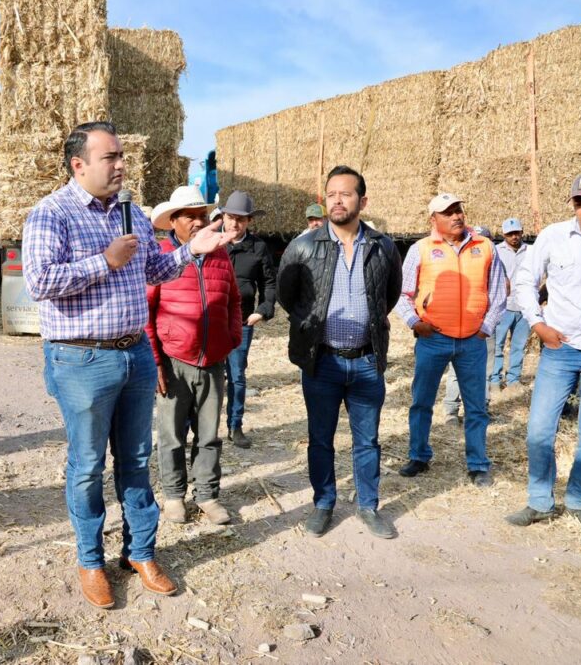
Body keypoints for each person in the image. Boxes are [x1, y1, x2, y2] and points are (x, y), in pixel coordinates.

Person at [22, 121, 237, 609]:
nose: (121, 165)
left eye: (121, 156)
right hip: (82, 358)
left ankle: (139, 552)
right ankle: (91, 560)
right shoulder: (50, 214)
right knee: (87, 465)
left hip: (134, 353)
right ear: (78, 165)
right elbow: (39, 282)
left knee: (136, 460)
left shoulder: (132, 214)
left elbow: (153, 269)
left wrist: (188, 251)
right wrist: (105, 260)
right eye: (110, 158)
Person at [277, 165, 403, 539]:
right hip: (323, 361)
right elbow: (289, 296)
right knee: (320, 438)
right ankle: (323, 503)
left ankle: (368, 506)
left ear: (362, 201)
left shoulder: (382, 247)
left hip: (366, 361)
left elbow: (389, 294)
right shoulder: (304, 245)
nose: (336, 200)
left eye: (345, 193)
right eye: (331, 193)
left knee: (367, 440)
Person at [506, 172, 581, 530]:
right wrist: (537, 324)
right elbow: (524, 281)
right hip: (560, 348)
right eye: (580, 203)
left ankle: (579, 499)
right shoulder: (553, 237)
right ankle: (540, 502)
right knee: (538, 430)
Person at [146, 186, 242, 526]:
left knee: (209, 434)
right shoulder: (160, 257)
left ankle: (207, 496)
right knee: (172, 435)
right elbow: (147, 312)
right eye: (191, 216)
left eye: (203, 215)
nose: (200, 222)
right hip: (174, 360)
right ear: (174, 221)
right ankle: (174, 497)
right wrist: (156, 361)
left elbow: (233, 299)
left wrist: (232, 337)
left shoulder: (219, 254)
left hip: (213, 359)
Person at [395, 193, 506, 487]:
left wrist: (486, 327)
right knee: (422, 402)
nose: (457, 216)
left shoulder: (485, 247)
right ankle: (418, 456)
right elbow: (402, 294)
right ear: (434, 220)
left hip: (472, 341)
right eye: (448, 212)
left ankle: (478, 464)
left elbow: (498, 294)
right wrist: (415, 323)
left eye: (459, 210)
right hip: (433, 340)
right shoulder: (420, 249)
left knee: (476, 406)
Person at [220, 190, 276, 448]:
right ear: (223, 216)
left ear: (249, 222)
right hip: (210, 323)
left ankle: (235, 425)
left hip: (241, 323)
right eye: (231, 217)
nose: (235, 223)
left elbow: (268, 282)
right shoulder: (210, 243)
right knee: (205, 378)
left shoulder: (258, 248)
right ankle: (197, 429)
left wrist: (263, 310)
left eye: (241, 219)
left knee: (237, 376)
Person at [440, 225, 497, 423]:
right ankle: (451, 411)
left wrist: (487, 326)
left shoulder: (493, 261)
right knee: (456, 372)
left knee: (486, 371)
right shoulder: (458, 264)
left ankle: (480, 408)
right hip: (461, 325)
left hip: (483, 326)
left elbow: (500, 291)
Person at [490, 217, 531, 394]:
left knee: (518, 345)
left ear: (522, 232)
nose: (514, 237)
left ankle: (514, 379)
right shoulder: (496, 251)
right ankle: (494, 379)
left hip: (524, 306)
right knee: (497, 345)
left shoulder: (532, 251)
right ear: (503, 235)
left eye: (517, 233)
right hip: (503, 305)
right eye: (509, 234)